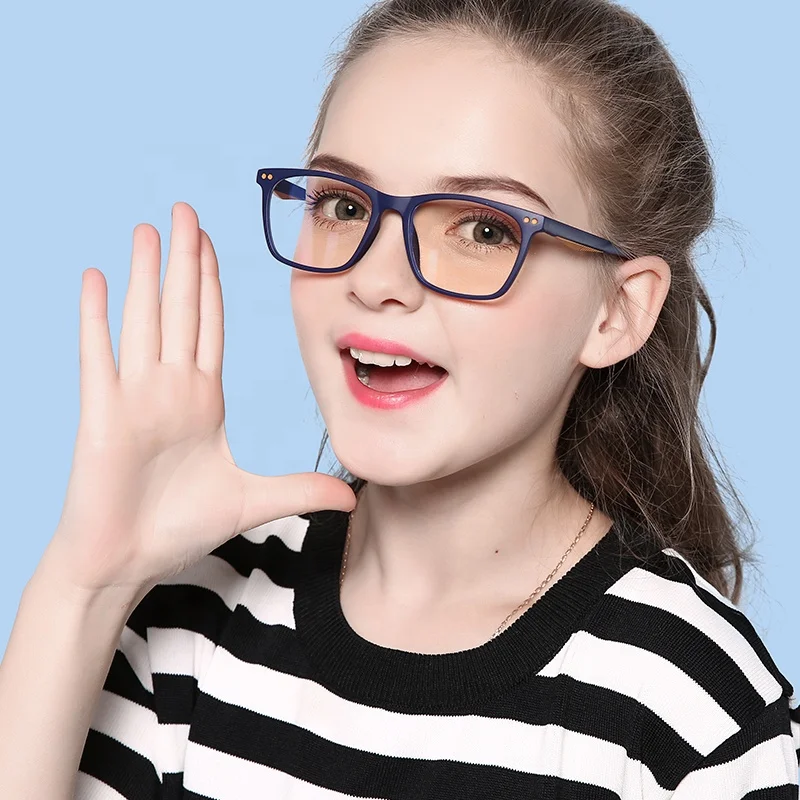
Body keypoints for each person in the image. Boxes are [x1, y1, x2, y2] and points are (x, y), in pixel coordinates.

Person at [1, 0, 798, 796]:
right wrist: (86, 586)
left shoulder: (693, 710)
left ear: (617, 311)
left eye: (483, 229)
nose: (377, 277)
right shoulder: (195, 614)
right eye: (345, 207)